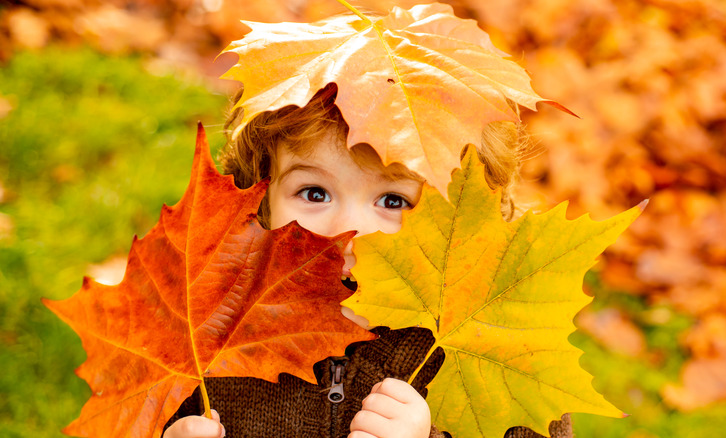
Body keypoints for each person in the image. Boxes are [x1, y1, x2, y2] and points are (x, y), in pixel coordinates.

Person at [161, 82, 572, 438]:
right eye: (314, 193)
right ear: (261, 198)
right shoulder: (205, 336)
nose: (347, 232)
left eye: (393, 200)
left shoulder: (504, 355)